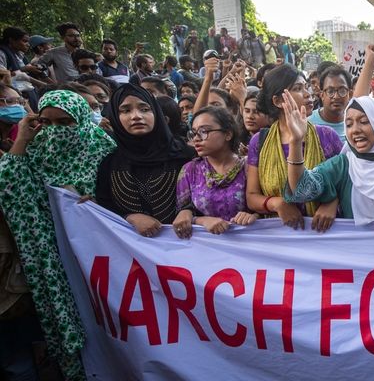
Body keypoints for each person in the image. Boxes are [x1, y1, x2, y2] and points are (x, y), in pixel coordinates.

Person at [0, 90, 116, 379]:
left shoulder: (102, 147)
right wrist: (23, 140)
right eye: (46, 123)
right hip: (51, 258)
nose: (55, 132)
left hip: (98, 257)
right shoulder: (36, 151)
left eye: (65, 123)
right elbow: (8, 188)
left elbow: (118, 200)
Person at [283, 92, 374, 235]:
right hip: (357, 253)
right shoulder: (343, 165)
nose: (355, 130)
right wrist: (296, 141)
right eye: (348, 124)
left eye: (364, 121)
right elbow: (302, 190)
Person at [245, 64, 343, 229]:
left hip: (324, 232)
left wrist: (331, 203)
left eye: (306, 87)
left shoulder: (327, 136)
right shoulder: (259, 141)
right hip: (281, 238)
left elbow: (346, 182)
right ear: (277, 101)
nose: (308, 94)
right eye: (298, 88)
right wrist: (277, 204)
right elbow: (252, 197)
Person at [96, 84, 196, 236]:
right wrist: (130, 217)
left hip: (187, 248)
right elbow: (104, 204)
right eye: (126, 110)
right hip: (134, 252)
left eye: (144, 109)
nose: (136, 116)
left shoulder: (186, 155)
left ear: (156, 112)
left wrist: (188, 211)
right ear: (115, 117)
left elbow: (208, 195)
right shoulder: (110, 163)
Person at [173, 106, 256, 237]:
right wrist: (203, 220)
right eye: (194, 133)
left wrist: (253, 216)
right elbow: (183, 217)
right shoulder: (190, 171)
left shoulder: (249, 167)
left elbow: (265, 209)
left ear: (228, 134)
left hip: (249, 245)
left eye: (204, 131)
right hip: (207, 250)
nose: (196, 139)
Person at [308, 65, 352, 141]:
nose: (336, 96)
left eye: (342, 91)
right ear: (322, 95)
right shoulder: (308, 124)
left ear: (350, 94)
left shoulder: (356, 123)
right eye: (330, 91)